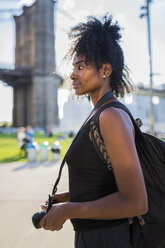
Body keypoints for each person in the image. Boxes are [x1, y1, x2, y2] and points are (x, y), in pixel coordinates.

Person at [40, 14, 148, 247]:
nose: (72, 74)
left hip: (107, 239)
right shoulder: (99, 114)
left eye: (81, 66)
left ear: (105, 70)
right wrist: (71, 198)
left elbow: (136, 201)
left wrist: (68, 210)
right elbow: (108, 183)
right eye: (73, 67)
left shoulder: (110, 116)